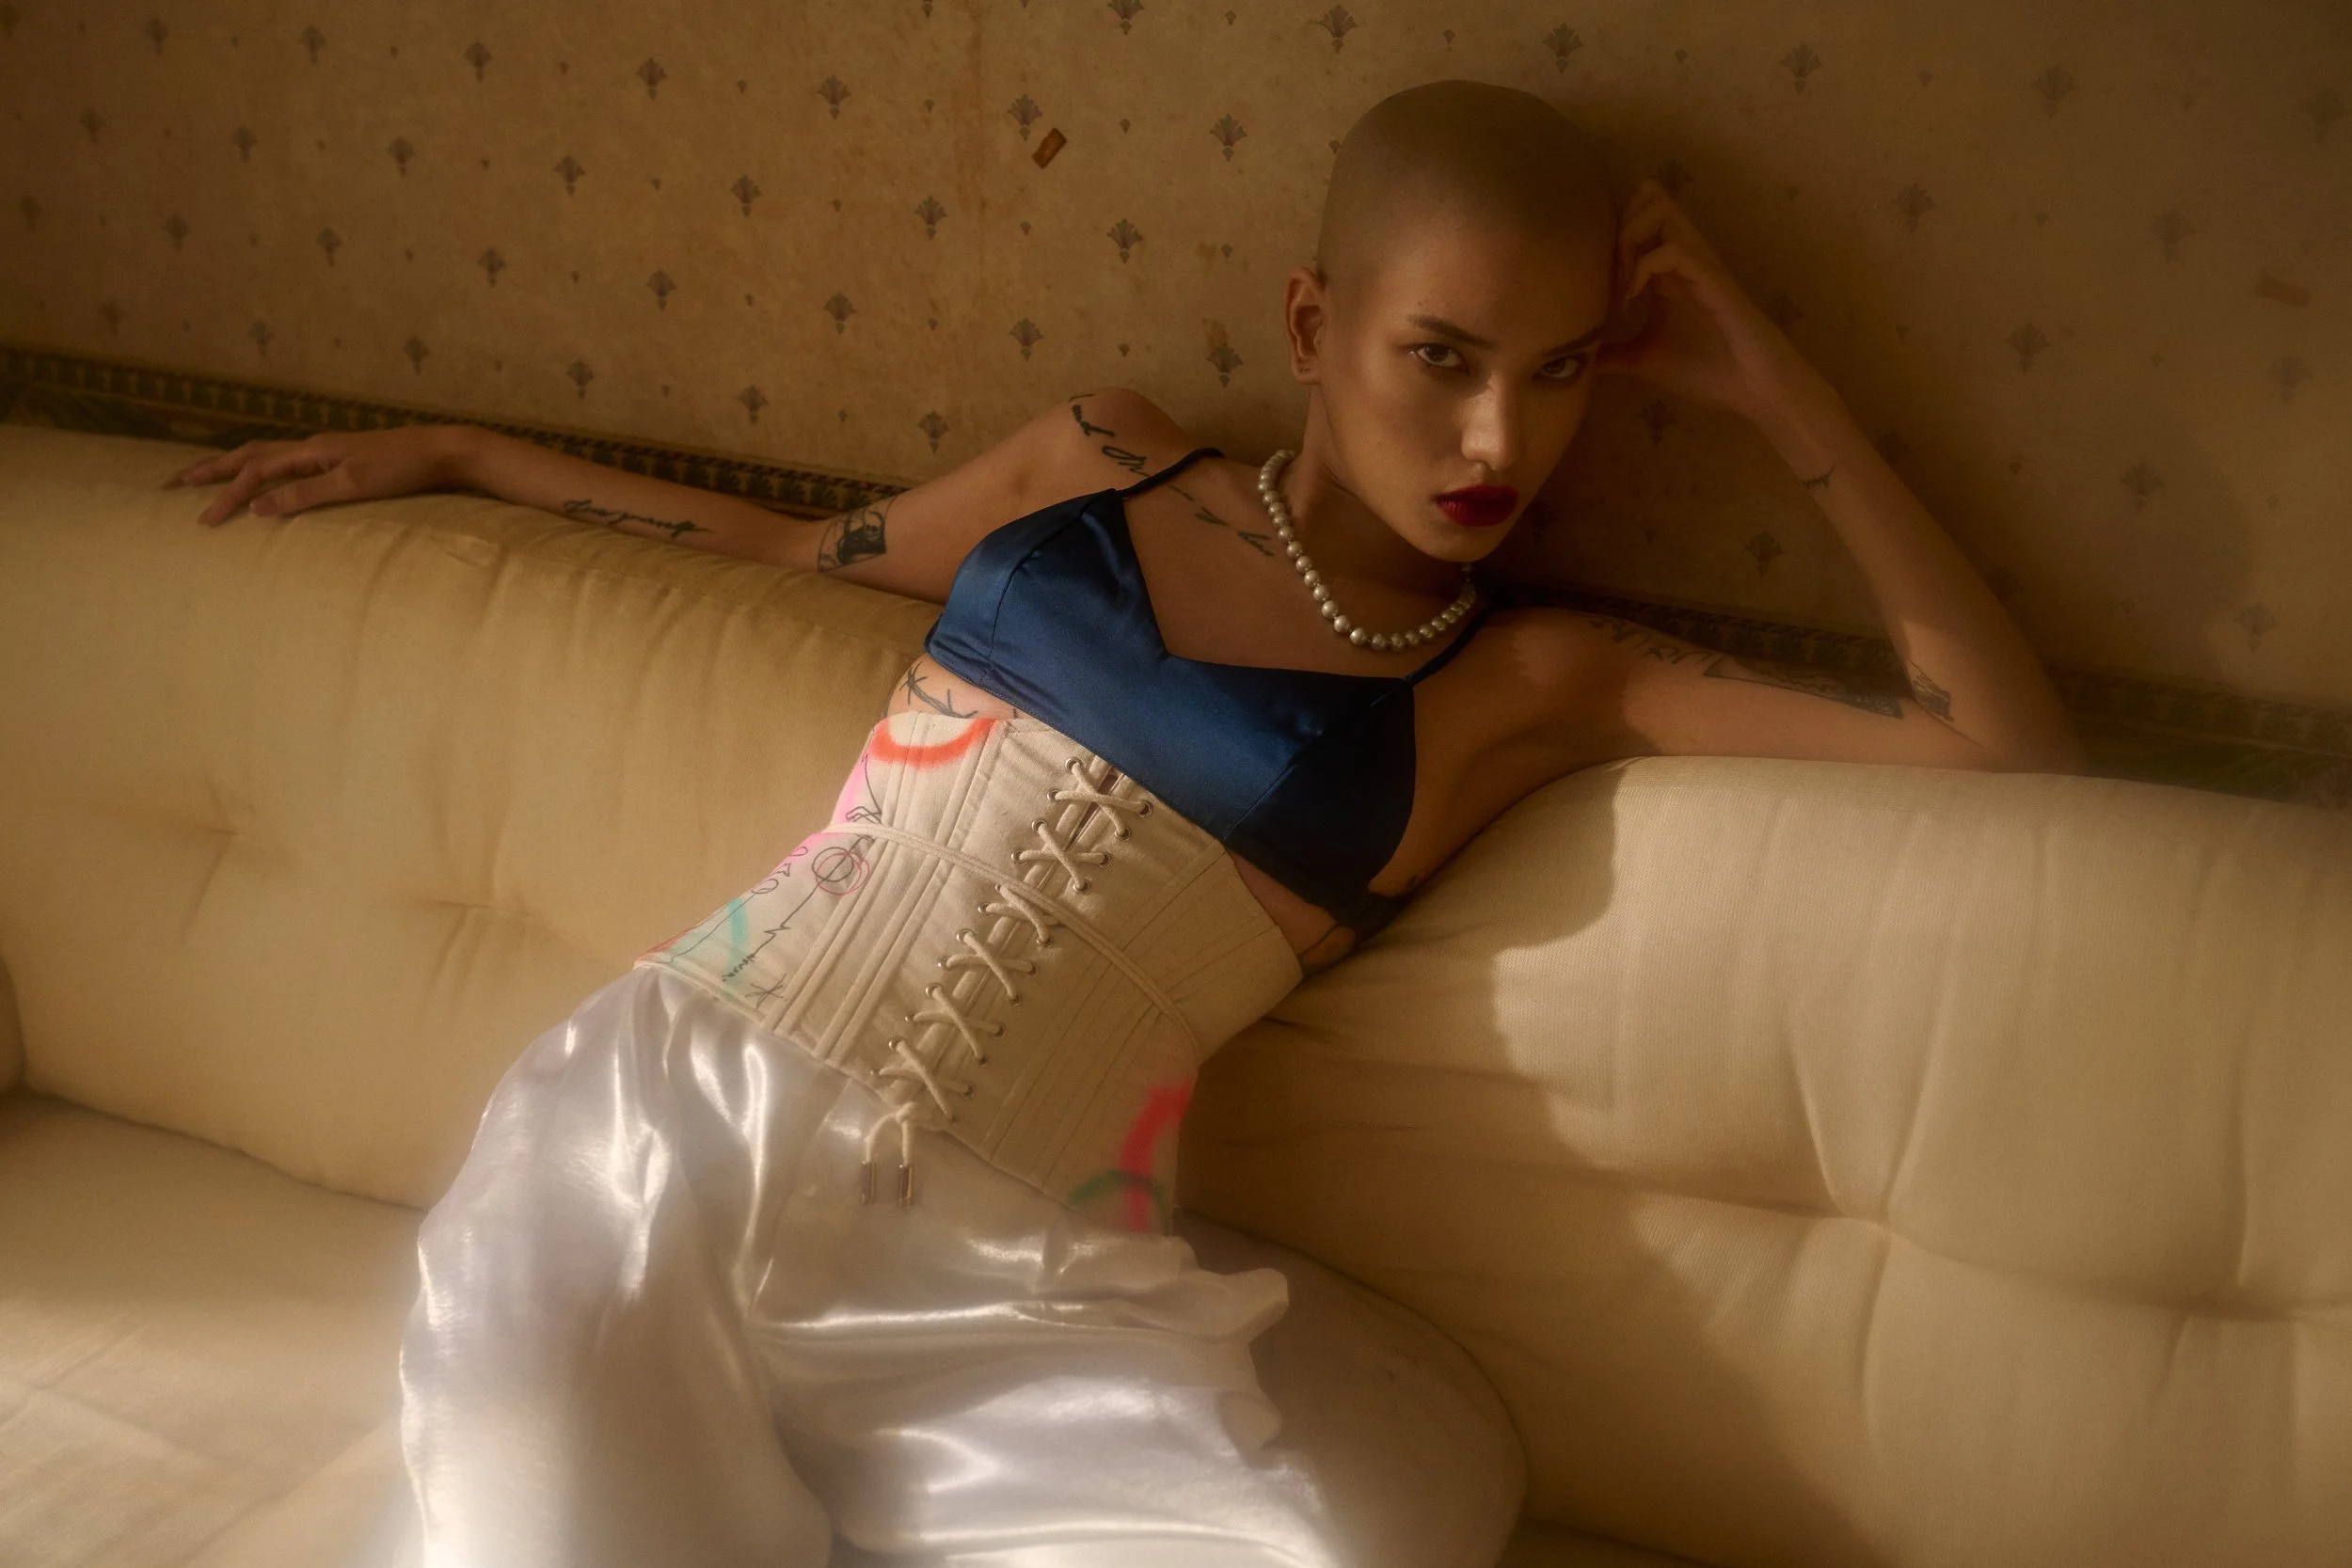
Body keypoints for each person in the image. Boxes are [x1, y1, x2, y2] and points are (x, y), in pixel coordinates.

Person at [166, 78, 2088, 1568]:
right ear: (1314, 321)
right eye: (1441, 355)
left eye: (1560, 369)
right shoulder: (1098, 461)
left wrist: (1768, 382)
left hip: (1005, 1290)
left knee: (1344, 1538)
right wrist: (457, 450)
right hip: (658, 1133)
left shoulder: (1533, 681)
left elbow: (1996, 753)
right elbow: (780, 549)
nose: (1501, 441)